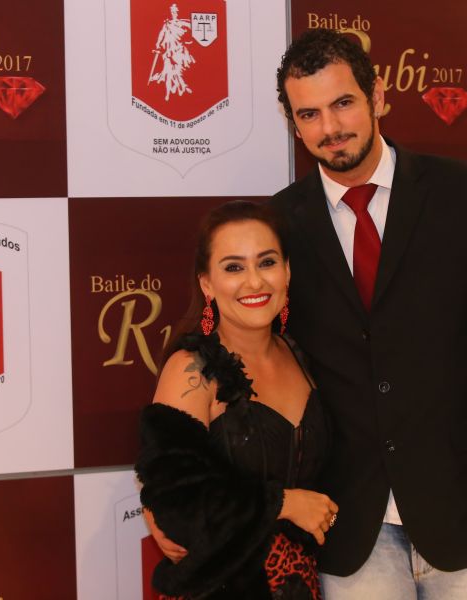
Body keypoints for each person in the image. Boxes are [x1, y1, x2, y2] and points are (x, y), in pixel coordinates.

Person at [265, 29, 467, 598]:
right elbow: (244, 357)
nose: (330, 128)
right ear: (293, 124)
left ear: (378, 96)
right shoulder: (279, 225)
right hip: (350, 530)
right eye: (309, 114)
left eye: (343, 103)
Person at [136, 200, 338, 599]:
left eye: (267, 262)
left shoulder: (301, 355)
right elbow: (176, 506)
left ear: (287, 271)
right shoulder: (192, 370)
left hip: (303, 585)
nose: (254, 282)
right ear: (207, 284)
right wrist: (283, 503)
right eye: (233, 267)